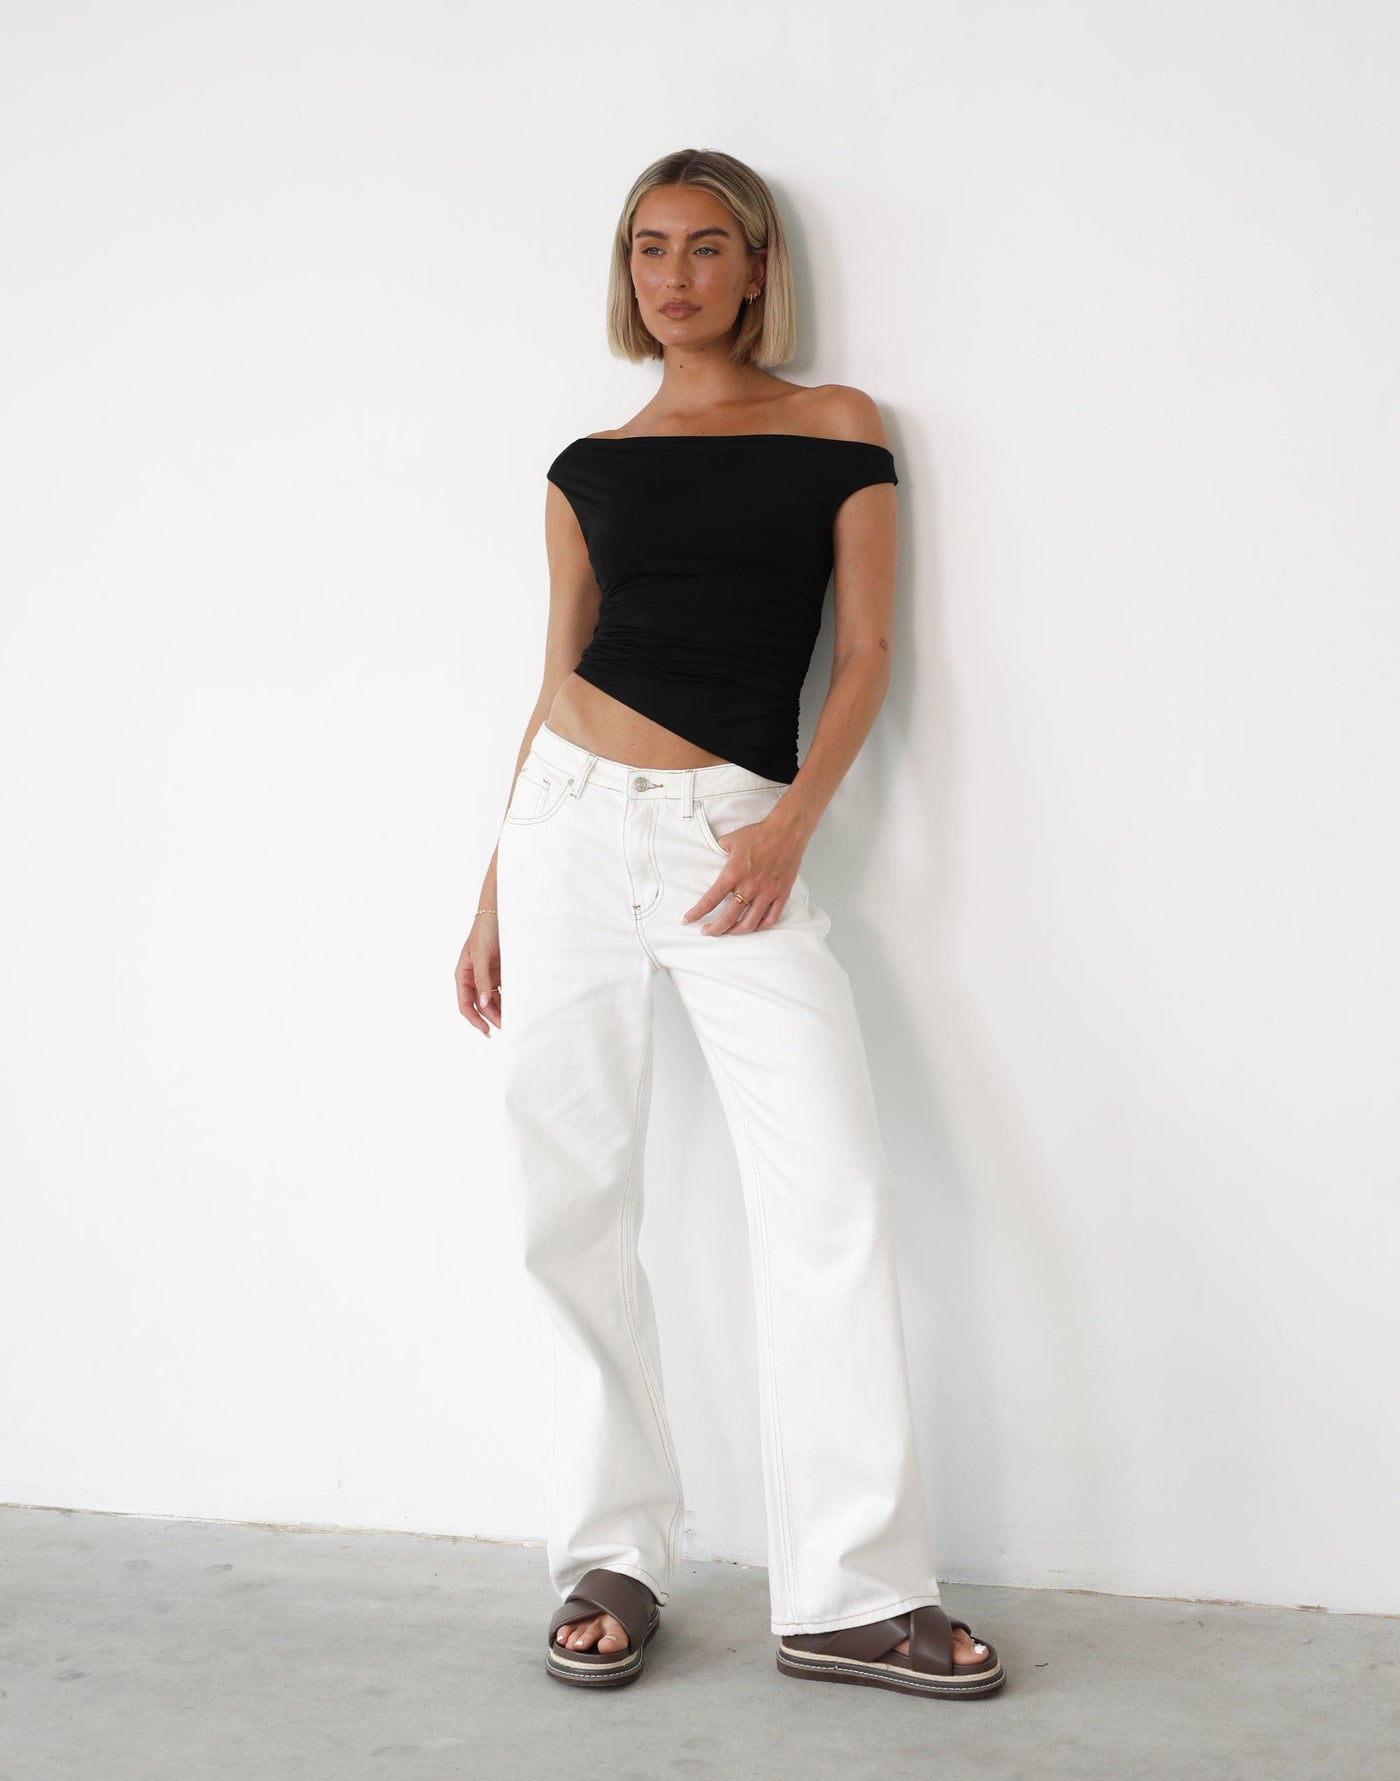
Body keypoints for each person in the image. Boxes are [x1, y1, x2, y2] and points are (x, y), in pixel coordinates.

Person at [454, 148, 1006, 1701]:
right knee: (571, 1200)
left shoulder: (837, 426)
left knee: (830, 1195)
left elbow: (871, 651)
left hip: (733, 837)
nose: (676, 274)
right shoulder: (587, 464)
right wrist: (493, 889)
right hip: (565, 829)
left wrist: (789, 825)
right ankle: (613, 1555)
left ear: (758, 267)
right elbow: (554, 676)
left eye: (707, 246)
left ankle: (850, 1591)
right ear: (625, 272)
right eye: (650, 247)